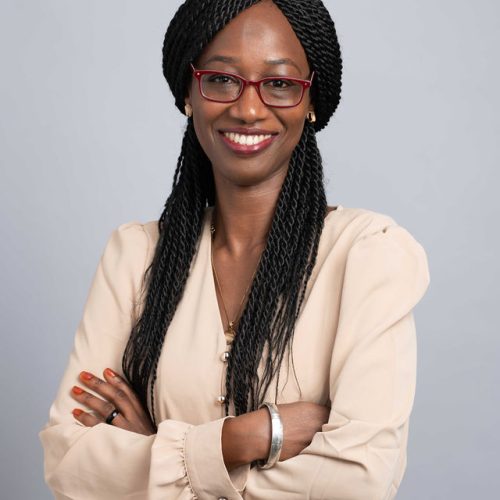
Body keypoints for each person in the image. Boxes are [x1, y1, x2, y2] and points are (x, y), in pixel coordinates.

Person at [39, 0, 430, 499]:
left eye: (280, 83)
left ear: (311, 102)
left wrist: (157, 453)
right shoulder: (135, 256)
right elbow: (69, 464)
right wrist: (249, 436)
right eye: (222, 80)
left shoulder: (368, 256)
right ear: (189, 93)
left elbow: (357, 482)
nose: (248, 109)